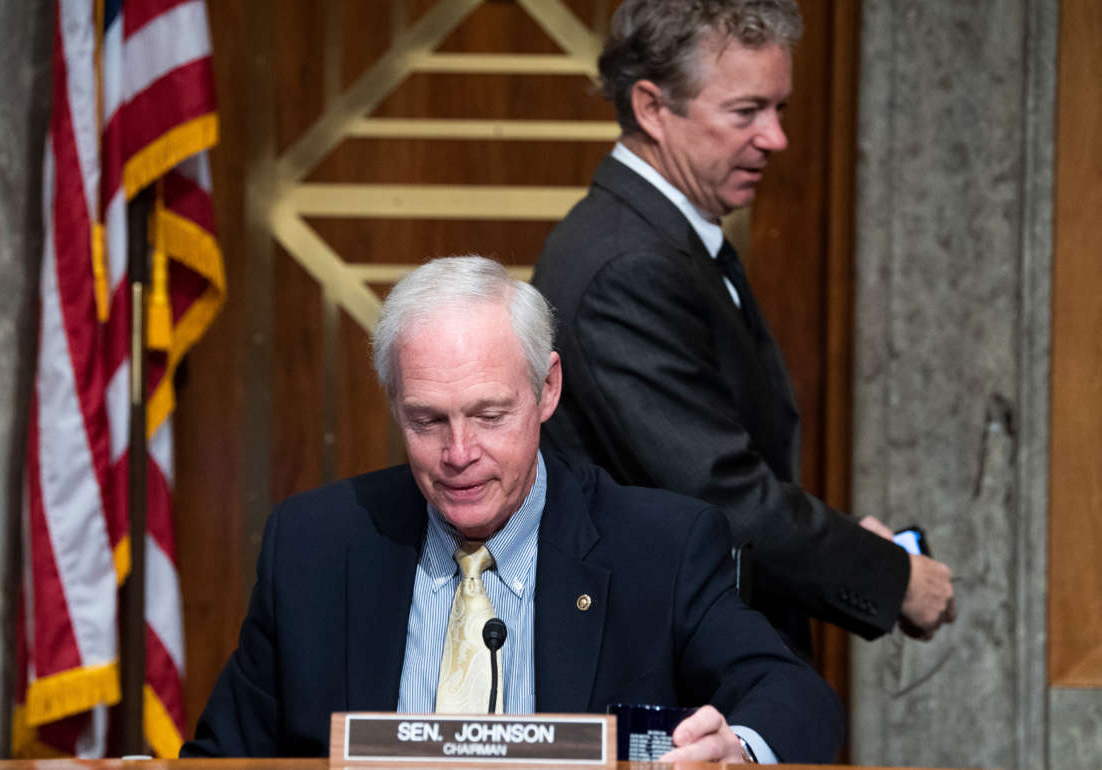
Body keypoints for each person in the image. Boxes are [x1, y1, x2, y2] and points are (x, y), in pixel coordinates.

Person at [183, 256, 843, 763]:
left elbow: (795, 698)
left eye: (489, 415)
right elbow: (219, 759)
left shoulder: (658, 548)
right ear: (393, 405)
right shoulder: (315, 546)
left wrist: (738, 750)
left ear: (546, 390)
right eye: (427, 420)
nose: (459, 452)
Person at [531, 0, 956, 657]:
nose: (776, 138)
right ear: (651, 108)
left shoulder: (664, 239)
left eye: (779, 109)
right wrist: (894, 576)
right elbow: (721, 500)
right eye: (745, 112)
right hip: (669, 683)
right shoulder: (627, 263)